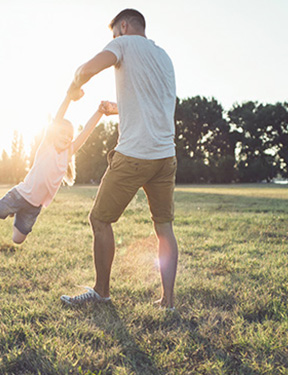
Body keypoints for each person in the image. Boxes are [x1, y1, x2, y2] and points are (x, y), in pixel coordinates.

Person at [60, 9, 179, 311]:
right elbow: (153, 102)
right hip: (165, 156)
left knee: (100, 220)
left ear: (123, 26)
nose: (113, 40)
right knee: (164, 228)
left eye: (114, 34)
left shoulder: (123, 44)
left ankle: (101, 292)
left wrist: (76, 83)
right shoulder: (163, 56)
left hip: (134, 154)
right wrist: (117, 108)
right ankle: (168, 301)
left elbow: (87, 68)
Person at [0, 96, 116, 244]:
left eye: (70, 135)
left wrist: (99, 112)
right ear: (53, 133)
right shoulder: (47, 147)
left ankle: (17, 213)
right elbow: (58, 118)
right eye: (62, 133)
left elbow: (86, 131)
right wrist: (68, 97)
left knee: (17, 240)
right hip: (18, 196)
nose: (67, 137)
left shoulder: (68, 154)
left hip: (34, 207)